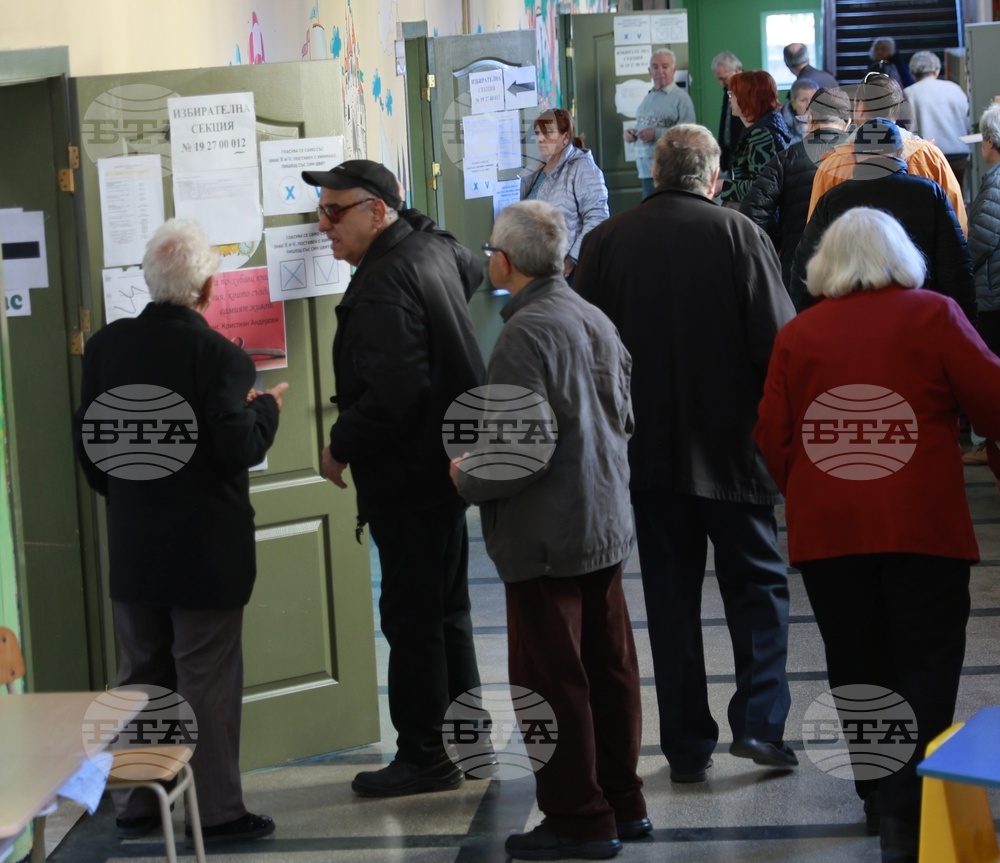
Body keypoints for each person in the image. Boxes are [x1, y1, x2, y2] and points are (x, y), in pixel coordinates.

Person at [754, 206, 1000, 863]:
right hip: (924, 524)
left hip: (831, 532)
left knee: (858, 664)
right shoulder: (935, 315)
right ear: (901, 257)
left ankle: (878, 794)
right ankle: (910, 804)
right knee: (926, 660)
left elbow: (771, 436)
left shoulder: (799, 335)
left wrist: (807, 488)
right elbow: (993, 402)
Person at [575, 124, 798, 784]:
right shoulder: (739, 235)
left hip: (646, 459)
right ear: (713, 176)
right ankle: (759, 723)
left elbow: (588, 349)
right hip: (732, 452)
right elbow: (778, 346)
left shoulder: (606, 241)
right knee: (758, 589)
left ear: (654, 169)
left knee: (669, 602)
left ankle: (685, 745)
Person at [72, 218, 284, 845]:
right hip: (204, 554)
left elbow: (91, 446)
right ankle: (218, 812)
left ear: (148, 279)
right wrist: (266, 409)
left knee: (139, 675)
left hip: (136, 546)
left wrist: (131, 499)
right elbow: (235, 448)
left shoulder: (106, 348)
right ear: (209, 288)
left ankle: (137, 804)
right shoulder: (221, 358)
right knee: (206, 681)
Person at [451, 200, 647, 862]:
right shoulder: (593, 316)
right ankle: (624, 801)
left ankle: (577, 817)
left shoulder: (523, 335)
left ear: (504, 262)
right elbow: (624, 415)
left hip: (544, 540)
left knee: (551, 681)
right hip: (605, 524)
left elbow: (516, 451)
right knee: (609, 667)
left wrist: (464, 475)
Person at [301, 159, 492, 797]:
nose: (323, 225)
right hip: (445, 468)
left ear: (376, 211)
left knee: (412, 620)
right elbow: (469, 265)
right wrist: (407, 214)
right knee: (449, 611)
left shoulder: (384, 282)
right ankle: (469, 739)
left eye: (335, 211)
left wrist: (339, 445)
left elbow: (393, 391)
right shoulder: (432, 248)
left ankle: (424, 756)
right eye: (320, 211)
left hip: (408, 477)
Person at [790, 118, 974, 318]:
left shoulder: (832, 199)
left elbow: (805, 266)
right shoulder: (930, 194)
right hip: (919, 316)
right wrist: (965, 322)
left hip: (852, 319)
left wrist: (805, 319)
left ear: (854, 155)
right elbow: (955, 267)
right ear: (900, 152)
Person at [808, 73, 967, 232]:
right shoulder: (930, 156)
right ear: (896, 109)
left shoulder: (832, 165)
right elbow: (957, 225)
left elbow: (816, 236)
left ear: (861, 107)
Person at [741, 87, 852, 292]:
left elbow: (752, 211)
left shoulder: (787, 158)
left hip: (797, 270)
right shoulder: (862, 160)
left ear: (810, 118)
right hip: (851, 268)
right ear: (847, 124)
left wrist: (774, 248)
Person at [520, 108, 609, 283]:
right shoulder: (535, 168)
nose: (540, 139)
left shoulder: (582, 167)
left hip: (565, 271)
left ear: (565, 137)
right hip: (533, 265)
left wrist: (572, 260)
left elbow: (598, 216)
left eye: (548, 133)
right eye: (538, 133)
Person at [963, 103, 1000, 464]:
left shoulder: (995, 182)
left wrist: (960, 268)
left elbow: (982, 239)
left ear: (990, 142)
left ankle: (990, 445)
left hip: (994, 295)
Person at [624, 48, 696, 198]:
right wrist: (632, 133)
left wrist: (656, 134)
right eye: (655, 67)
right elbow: (644, 125)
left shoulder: (681, 99)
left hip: (669, 172)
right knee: (650, 216)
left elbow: (688, 135)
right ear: (649, 70)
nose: (660, 71)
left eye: (665, 66)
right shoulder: (647, 98)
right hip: (646, 171)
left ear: (674, 69)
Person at [720, 70, 793, 205]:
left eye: (733, 94)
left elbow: (762, 187)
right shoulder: (768, 126)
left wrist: (723, 186)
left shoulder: (761, 135)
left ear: (747, 98)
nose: (730, 99)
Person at [905, 50, 971, 191]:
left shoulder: (908, 93)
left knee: (932, 202)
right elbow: (967, 121)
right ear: (937, 70)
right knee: (957, 200)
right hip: (958, 154)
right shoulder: (954, 89)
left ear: (912, 73)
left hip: (926, 158)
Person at [712, 50, 745, 173]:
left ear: (736, 71)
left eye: (723, 78)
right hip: (730, 153)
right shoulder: (728, 89)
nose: (721, 83)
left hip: (743, 155)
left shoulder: (750, 90)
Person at [780, 77, 819, 144]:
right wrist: (805, 129)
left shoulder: (828, 122)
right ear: (793, 103)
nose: (809, 106)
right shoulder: (781, 126)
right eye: (803, 100)